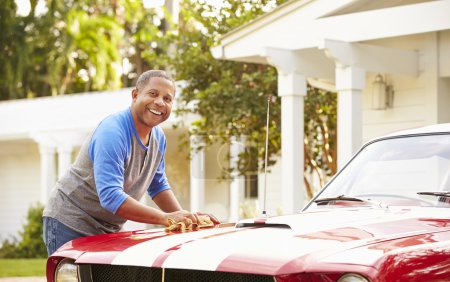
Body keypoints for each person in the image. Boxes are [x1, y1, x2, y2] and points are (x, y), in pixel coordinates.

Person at [43, 70, 217, 256]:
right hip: (70, 220)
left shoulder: (158, 138)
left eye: (167, 98)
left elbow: (157, 185)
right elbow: (110, 196)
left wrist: (186, 218)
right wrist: (167, 219)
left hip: (108, 227)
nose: (160, 102)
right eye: (153, 94)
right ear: (135, 95)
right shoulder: (112, 132)